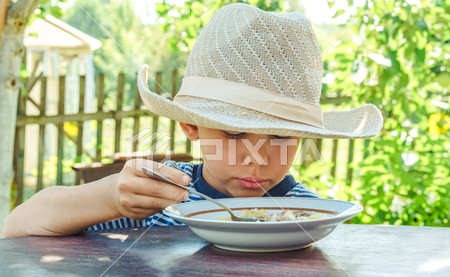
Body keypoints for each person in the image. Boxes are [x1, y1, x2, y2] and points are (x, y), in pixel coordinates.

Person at [3, 3, 382, 238]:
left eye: (283, 137)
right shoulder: (155, 197)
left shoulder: (307, 218)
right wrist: (109, 197)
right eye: (235, 133)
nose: (257, 158)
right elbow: (18, 226)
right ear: (191, 126)